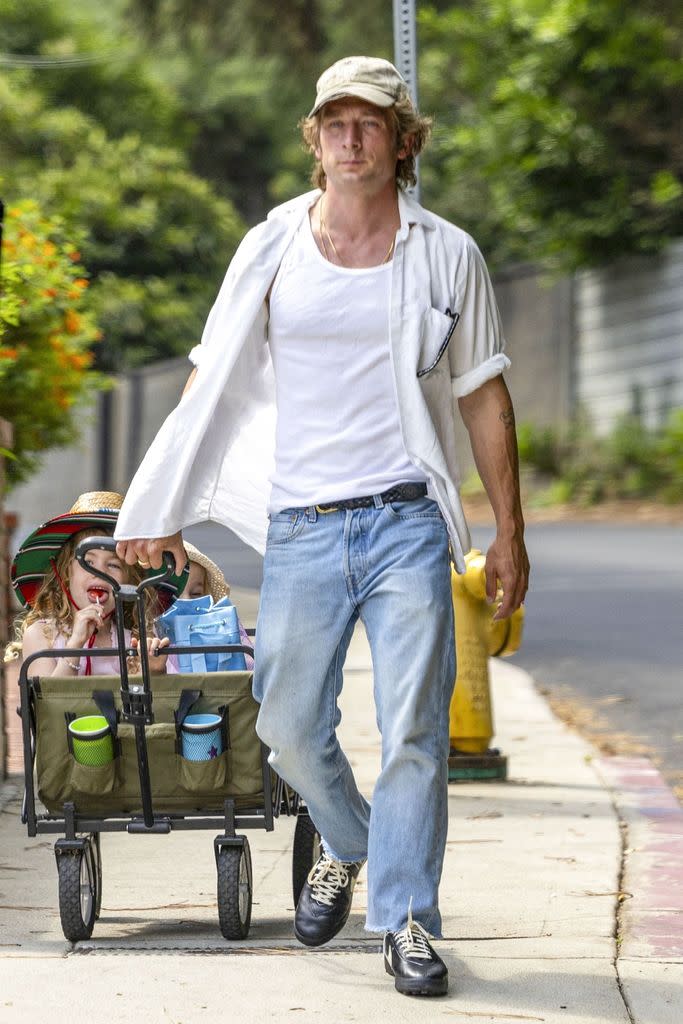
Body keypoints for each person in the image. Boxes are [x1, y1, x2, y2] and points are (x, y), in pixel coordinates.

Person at [115, 56, 529, 997]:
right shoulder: (269, 245)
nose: (349, 136)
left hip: (404, 522)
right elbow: (208, 377)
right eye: (333, 121)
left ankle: (407, 919)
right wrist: (163, 508)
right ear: (313, 138)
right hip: (299, 525)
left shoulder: (445, 252)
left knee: (415, 729)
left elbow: (483, 395)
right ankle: (348, 840)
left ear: (401, 141)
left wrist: (508, 532)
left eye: (370, 122)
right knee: (290, 729)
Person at [8, 492, 178, 677]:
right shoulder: (42, 636)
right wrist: (75, 644)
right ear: (66, 573)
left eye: (113, 564)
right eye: (88, 562)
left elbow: (159, 704)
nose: (101, 573)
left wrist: (154, 671)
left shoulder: (136, 643)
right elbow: (46, 703)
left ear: (130, 582)